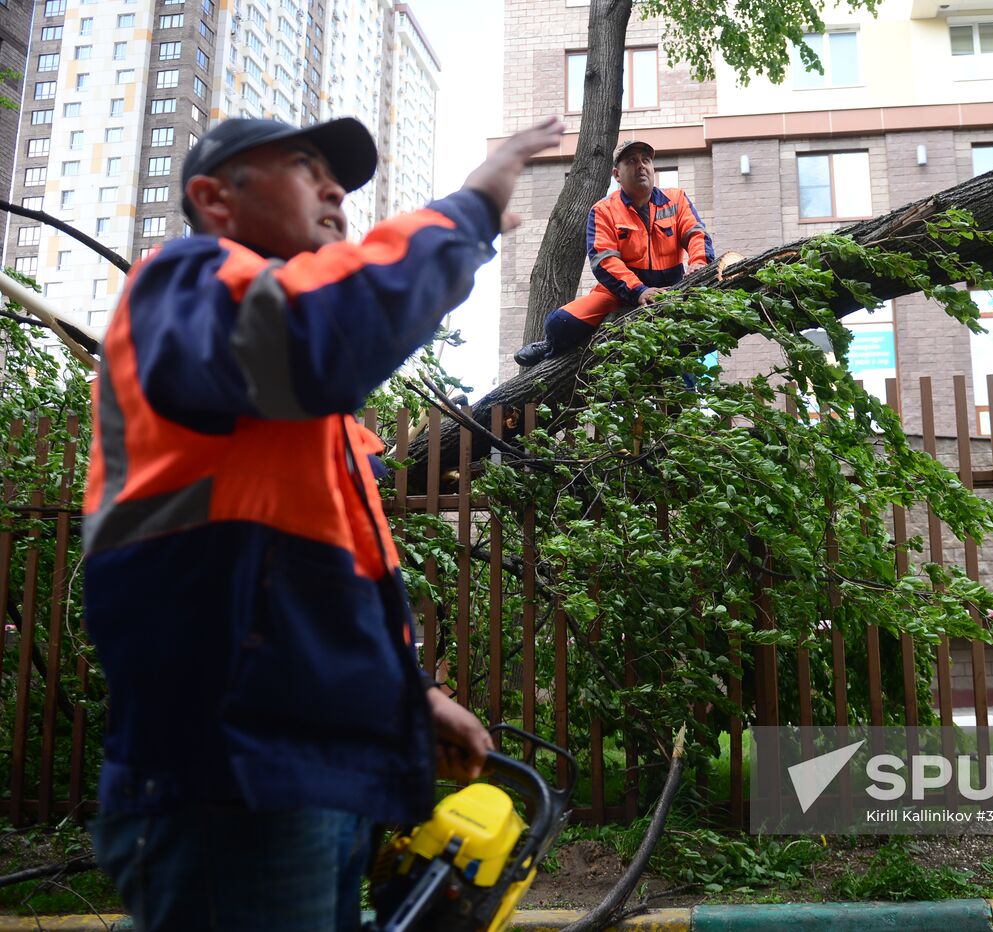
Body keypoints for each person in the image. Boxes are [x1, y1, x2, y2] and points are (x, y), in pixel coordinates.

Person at [82, 112, 564, 931]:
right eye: (306, 165)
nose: (337, 188)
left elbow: (304, 596)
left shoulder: (295, 410)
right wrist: (469, 208)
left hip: (298, 779)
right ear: (214, 198)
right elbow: (316, 339)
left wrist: (412, 697)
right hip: (234, 783)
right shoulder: (182, 285)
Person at [513, 138, 714, 366]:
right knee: (559, 323)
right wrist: (639, 291)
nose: (641, 166)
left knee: (681, 352)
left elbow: (696, 233)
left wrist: (699, 264)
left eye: (645, 160)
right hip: (617, 293)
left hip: (671, 287)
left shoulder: (676, 199)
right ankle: (551, 347)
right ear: (617, 175)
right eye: (632, 161)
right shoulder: (603, 210)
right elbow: (604, 261)